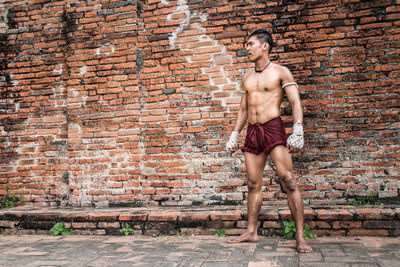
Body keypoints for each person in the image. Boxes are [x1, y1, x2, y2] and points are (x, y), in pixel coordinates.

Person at [226, 29, 312, 253]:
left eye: (251, 44)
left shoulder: (280, 72)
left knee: (289, 180)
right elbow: (243, 109)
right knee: (253, 184)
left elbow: (295, 102)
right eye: (247, 44)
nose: (247, 48)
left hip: (273, 128)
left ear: (265, 46)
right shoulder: (247, 77)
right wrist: (235, 133)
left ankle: (301, 237)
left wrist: (298, 129)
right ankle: (251, 232)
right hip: (252, 131)